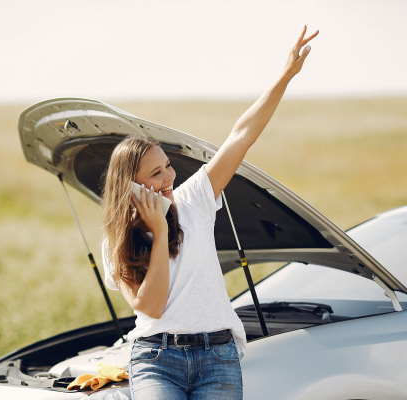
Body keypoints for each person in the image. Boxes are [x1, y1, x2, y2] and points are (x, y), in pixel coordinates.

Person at [100, 25, 319, 400]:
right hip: (156, 357)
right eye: (155, 173)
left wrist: (285, 76)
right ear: (130, 185)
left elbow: (241, 135)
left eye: (168, 166)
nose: (169, 177)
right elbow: (151, 306)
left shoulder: (194, 200)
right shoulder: (117, 240)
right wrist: (159, 232)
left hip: (217, 355)